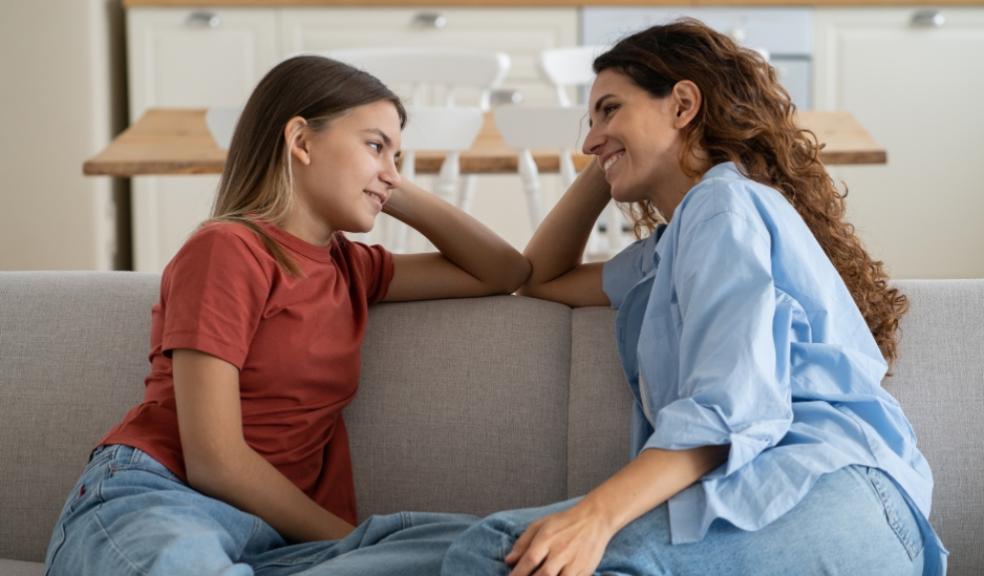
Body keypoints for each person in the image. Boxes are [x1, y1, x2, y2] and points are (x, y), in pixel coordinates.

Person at [441, 18, 946, 576]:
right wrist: (611, 155)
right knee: (469, 547)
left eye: (610, 109)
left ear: (683, 105)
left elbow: (728, 409)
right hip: (822, 503)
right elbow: (540, 277)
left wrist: (597, 517)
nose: (586, 140)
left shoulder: (722, 207)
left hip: (824, 488)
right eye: (590, 121)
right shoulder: (674, 246)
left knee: (496, 552)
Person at [43, 55, 530, 576]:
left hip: (280, 541)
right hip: (166, 499)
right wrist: (356, 541)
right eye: (374, 144)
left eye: (397, 155)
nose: (391, 170)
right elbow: (215, 462)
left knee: (498, 548)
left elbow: (504, 270)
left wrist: (386, 184)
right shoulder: (227, 250)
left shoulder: (352, 268)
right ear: (301, 141)